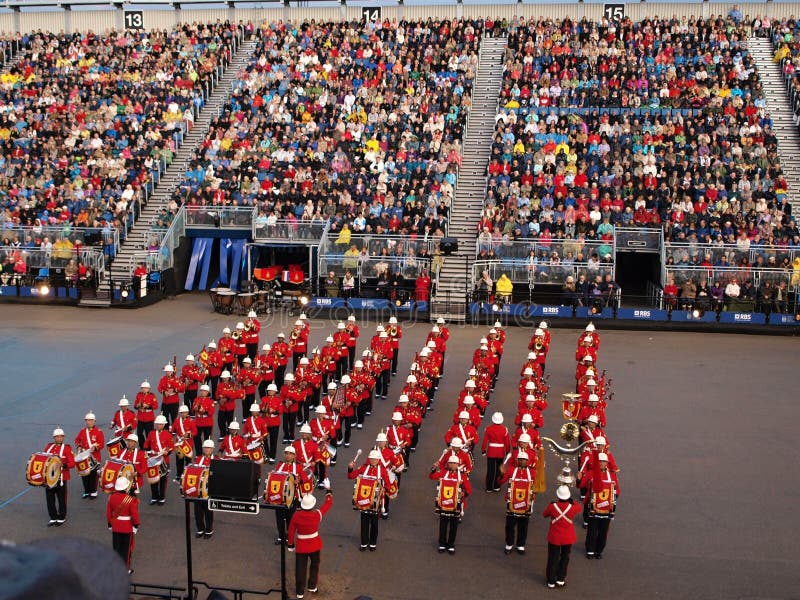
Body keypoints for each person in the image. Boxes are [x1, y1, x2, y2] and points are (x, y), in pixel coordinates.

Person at [288, 490, 333, 600]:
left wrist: (290, 544)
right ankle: (312, 586)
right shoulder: (317, 514)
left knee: (300, 569)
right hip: (315, 545)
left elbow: (291, 531)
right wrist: (329, 493)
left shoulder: (296, 515)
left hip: (301, 546)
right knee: (315, 565)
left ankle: (300, 592)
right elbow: (328, 504)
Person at [347, 449, 392, 551]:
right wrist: (350, 468)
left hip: (376, 502)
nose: (373, 461)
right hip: (364, 500)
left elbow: (388, 485)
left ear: (378, 460)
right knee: (364, 522)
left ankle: (372, 543)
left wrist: (384, 488)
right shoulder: (363, 468)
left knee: (374, 524)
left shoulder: (383, 470)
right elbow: (351, 476)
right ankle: (363, 543)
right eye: (371, 459)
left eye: (375, 459)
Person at [429, 455, 472, 554]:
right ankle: (442, 544)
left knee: (454, 525)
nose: (452, 465)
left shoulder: (463, 476)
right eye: (451, 463)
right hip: (444, 503)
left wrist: (464, 493)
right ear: (448, 464)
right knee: (443, 524)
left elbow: (469, 489)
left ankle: (451, 544)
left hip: (456, 504)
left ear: (458, 465)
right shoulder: (443, 473)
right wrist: (433, 468)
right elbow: (431, 476)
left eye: (454, 463)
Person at [543, 485, 582, 589]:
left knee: (552, 558)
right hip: (567, 537)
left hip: (554, 537)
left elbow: (544, 514)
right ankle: (560, 579)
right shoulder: (573, 507)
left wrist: (551, 505)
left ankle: (551, 581)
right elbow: (579, 507)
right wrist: (572, 502)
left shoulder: (552, 506)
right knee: (565, 557)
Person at [499, 451, 536, 555]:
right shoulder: (511, 470)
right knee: (510, 525)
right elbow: (501, 482)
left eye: (524, 460)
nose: (522, 461)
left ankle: (520, 545)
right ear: (517, 460)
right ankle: (509, 544)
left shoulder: (533, 472)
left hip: (526, 503)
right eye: (520, 459)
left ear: (527, 461)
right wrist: (501, 474)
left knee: (523, 526)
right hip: (512, 503)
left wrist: (534, 494)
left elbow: (537, 486)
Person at [583, 453, 619, 559]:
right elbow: (581, 485)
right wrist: (579, 479)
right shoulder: (591, 473)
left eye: (604, 462)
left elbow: (617, 490)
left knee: (603, 532)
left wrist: (612, 499)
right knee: (592, 530)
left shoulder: (612, 476)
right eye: (600, 461)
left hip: (607, 508)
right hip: (593, 506)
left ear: (607, 463)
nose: (602, 463)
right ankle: (590, 550)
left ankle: (599, 551)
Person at [106, 476, 139, 576]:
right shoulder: (129, 499)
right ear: (125, 488)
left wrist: (110, 523)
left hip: (115, 526)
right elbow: (134, 515)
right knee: (126, 550)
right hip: (127, 527)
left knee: (116, 548)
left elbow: (108, 512)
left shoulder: (111, 497)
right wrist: (136, 525)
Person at [43, 428, 75, 526]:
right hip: (49, 478)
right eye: (57, 437)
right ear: (54, 437)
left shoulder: (67, 448)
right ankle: (53, 517)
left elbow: (72, 463)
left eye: (61, 436)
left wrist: (63, 465)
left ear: (63, 437)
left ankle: (61, 517)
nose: (59, 438)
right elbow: (44, 458)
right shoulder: (48, 447)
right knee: (50, 498)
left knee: (61, 498)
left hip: (61, 477)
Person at [143, 415, 173, 505]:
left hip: (164, 460)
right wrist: (145, 451)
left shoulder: (168, 434)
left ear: (164, 425)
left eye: (160, 424)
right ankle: (154, 496)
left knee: (163, 479)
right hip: (153, 459)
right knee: (153, 478)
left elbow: (171, 447)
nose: (159, 425)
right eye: (157, 424)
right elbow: (146, 443)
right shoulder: (151, 433)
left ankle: (161, 497)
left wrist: (167, 452)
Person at [74, 412, 104, 499]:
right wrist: (79, 446)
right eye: (87, 420)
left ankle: (93, 491)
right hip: (84, 456)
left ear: (94, 421)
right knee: (84, 474)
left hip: (94, 457)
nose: (88, 422)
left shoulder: (98, 432)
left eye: (90, 420)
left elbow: (101, 444)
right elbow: (77, 440)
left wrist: (95, 448)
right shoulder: (83, 431)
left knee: (93, 475)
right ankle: (86, 491)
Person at [482, 412, 511, 492]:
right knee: (499, 470)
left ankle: (489, 487)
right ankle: (496, 486)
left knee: (490, 470)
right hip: (500, 451)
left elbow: (485, 441)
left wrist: (483, 450)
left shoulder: (488, 429)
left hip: (491, 451)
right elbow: (507, 442)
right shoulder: (504, 429)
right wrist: (508, 451)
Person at [194, 439, 215, 538]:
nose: (206, 450)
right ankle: (200, 529)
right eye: (205, 448)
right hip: (198, 488)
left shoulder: (216, 459)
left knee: (208, 510)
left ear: (212, 449)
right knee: (197, 510)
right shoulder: (198, 459)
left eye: (208, 448)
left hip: (209, 488)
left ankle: (209, 530)